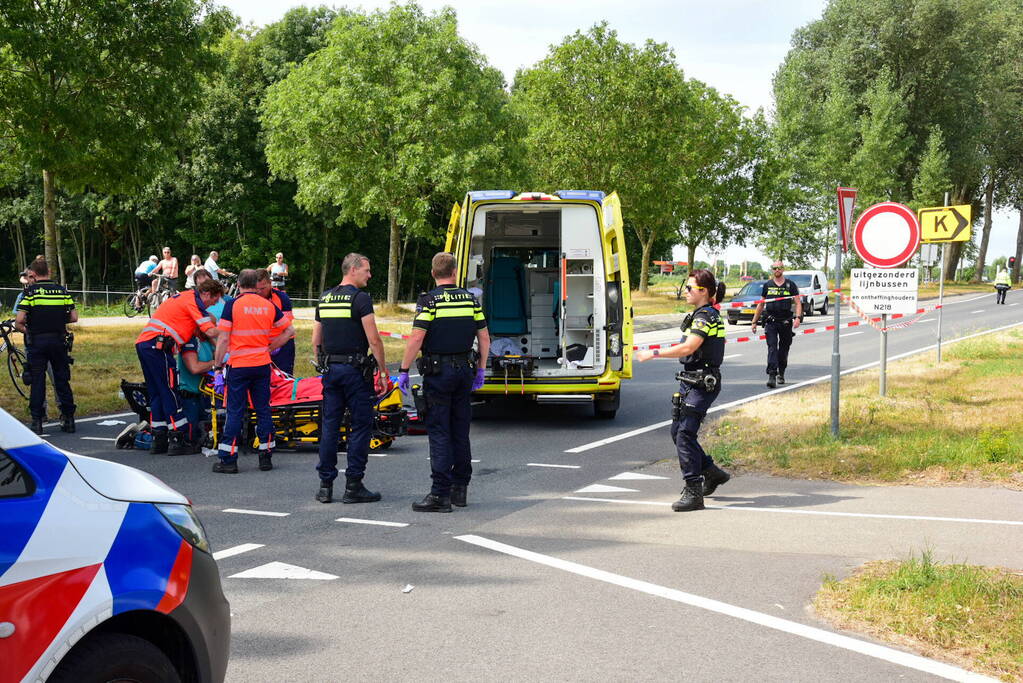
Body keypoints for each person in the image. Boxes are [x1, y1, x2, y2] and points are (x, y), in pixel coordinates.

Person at [398, 252, 490, 513]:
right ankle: (460, 489)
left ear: (433, 273)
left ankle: (440, 494)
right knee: (460, 430)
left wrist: (403, 369)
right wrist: (481, 369)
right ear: (455, 271)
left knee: (439, 431)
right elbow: (484, 337)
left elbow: (417, 338)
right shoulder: (470, 299)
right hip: (465, 371)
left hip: (439, 373)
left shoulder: (429, 301)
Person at [634, 269, 730, 512]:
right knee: (678, 432)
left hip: (702, 382)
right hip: (691, 381)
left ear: (703, 291)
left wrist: (654, 353)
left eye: (690, 288)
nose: (685, 291)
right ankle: (711, 472)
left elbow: (689, 347)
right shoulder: (700, 314)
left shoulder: (705, 316)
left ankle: (694, 491)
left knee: (685, 434)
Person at [312, 253, 388, 503]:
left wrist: (322, 363)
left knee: (330, 426)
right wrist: (383, 371)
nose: (370, 275)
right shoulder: (360, 299)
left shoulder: (325, 297)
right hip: (355, 372)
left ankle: (325, 486)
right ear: (353, 270)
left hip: (331, 371)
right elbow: (374, 339)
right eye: (366, 270)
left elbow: (316, 339)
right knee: (360, 426)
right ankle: (354, 485)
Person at [212, 269, 295, 474]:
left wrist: (217, 367)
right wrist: (270, 347)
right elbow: (289, 331)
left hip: (239, 366)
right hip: (262, 365)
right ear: (256, 285)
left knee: (235, 412)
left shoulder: (232, 305)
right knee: (263, 410)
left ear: (239, 285)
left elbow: (223, 338)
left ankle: (228, 460)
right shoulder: (268, 305)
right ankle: (265, 456)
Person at [135, 278, 225, 455]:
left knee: (157, 392)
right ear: (207, 294)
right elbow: (209, 330)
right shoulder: (194, 302)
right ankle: (178, 438)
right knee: (169, 391)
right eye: (214, 300)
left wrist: (218, 346)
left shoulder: (184, 298)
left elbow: (204, 331)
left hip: (146, 344)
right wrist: (231, 331)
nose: (213, 305)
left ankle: (159, 438)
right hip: (159, 346)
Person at [14, 260, 77, 435]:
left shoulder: (30, 292)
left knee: (37, 381)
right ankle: (69, 419)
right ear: (49, 272)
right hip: (58, 341)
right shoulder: (62, 291)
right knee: (61, 379)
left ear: (33, 273)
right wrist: (57, 321)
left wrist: (31, 330)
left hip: (37, 342)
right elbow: (73, 317)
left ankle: (37, 421)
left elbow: (19, 321)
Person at [177, 298, 226, 451]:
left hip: (204, 394)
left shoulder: (205, 341)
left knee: (207, 430)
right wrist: (215, 363)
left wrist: (212, 340)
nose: (213, 330)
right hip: (190, 395)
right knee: (191, 437)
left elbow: (221, 353)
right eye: (211, 327)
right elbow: (195, 368)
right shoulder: (190, 340)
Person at [751, 261, 802, 388]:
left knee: (784, 349)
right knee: (772, 348)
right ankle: (772, 375)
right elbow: (761, 304)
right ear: (772, 270)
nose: (777, 270)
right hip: (771, 321)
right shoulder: (768, 285)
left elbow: (797, 302)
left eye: (779, 268)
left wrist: (798, 318)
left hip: (785, 322)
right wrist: (754, 322)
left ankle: (781, 372)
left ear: (783, 269)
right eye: (774, 268)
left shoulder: (790, 285)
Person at [255, 269, 296, 375]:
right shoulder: (250, 298)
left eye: (263, 288)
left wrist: (272, 348)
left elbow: (287, 330)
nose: (259, 292)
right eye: (256, 289)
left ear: (270, 283)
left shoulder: (282, 298)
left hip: (283, 345)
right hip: (260, 346)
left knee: (284, 377)